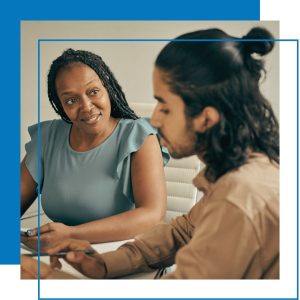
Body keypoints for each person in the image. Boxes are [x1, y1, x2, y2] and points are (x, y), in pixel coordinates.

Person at [21, 26, 279, 279]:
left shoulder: (238, 201)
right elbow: (182, 233)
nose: (154, 118)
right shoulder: (233, 180)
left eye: (164, 107)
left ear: (206, 119)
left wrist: (45, 276)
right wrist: (103, 265)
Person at [21, 49, 169, 250]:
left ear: (108, 88)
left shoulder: (138, 137)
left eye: (93, 92)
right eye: (71, 100)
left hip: (119, 258)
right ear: (60, 105)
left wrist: (71, 235)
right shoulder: (48, 137)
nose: (86, 106)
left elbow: (153, 214)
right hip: (57, 258)